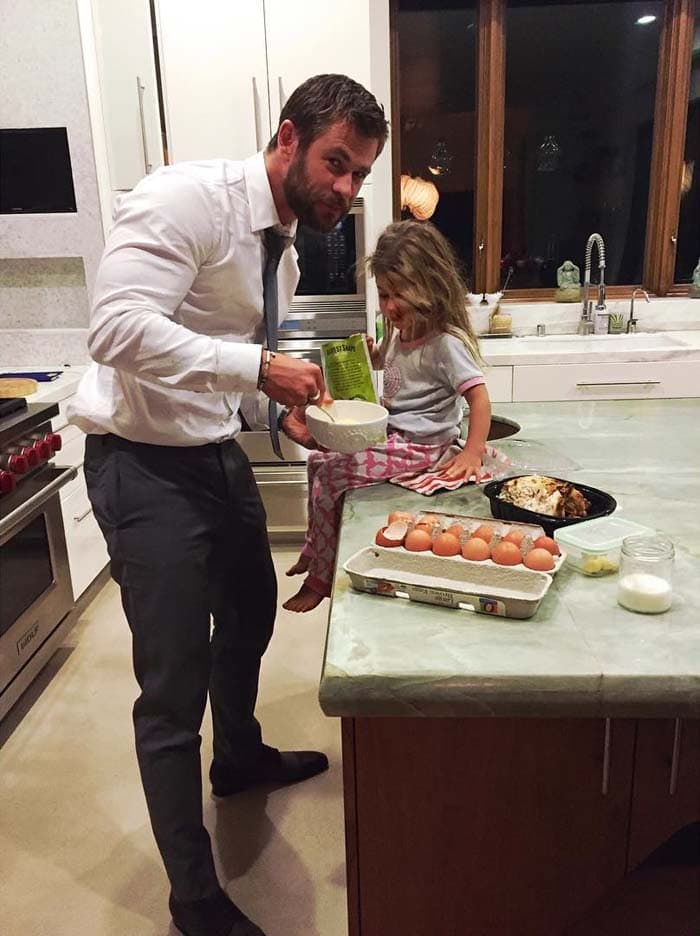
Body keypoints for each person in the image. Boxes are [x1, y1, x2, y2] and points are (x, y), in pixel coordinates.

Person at [66, 74, 388, 936]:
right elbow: (115, 329)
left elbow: (216, 355)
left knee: (249, 616)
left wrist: (272, 409)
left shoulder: (275, 237)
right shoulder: (187, 201)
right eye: (336, 164)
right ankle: (193, 898)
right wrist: (258, 372)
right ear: (287, 138)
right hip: (141, 467)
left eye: (358, 174)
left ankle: (238, 758)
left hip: (212, 453)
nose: (345, 189)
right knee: (171, 690)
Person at [282, 220, 493, 613]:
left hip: (421, 447)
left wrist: (472, 453)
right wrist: (371, 354)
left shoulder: (445, 344)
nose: (390, 305)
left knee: (330, 474)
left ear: (430, 287)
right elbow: (393, 366)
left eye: (400, 294)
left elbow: (480, 398)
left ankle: (321, 578)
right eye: (384, 294)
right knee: (316, 461)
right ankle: (315, 547)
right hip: (392, 435)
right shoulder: (400, 332)